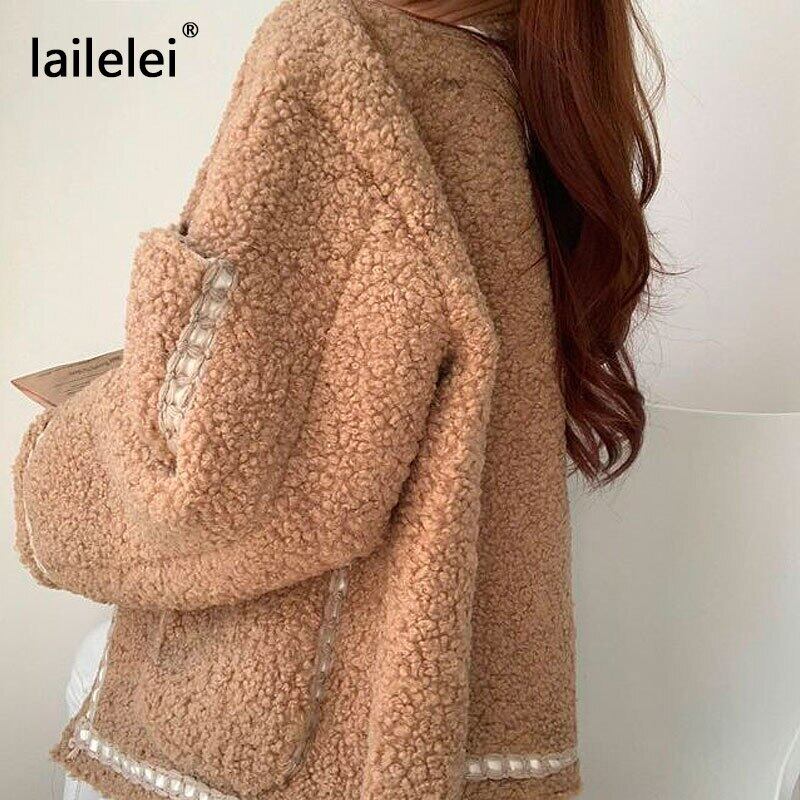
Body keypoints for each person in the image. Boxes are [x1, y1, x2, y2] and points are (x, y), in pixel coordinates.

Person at [14, 0, 662, 798]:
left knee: (90, 668)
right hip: (439, 731)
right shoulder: (506, 91)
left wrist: (49, 461)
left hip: (284, 748)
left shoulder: (341, 58)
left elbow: (207, 481)